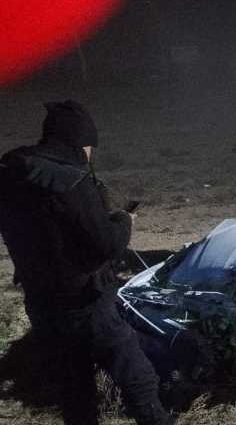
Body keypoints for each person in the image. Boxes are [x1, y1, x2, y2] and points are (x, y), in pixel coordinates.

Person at [0, 100, 171, 425]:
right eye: (90, 147)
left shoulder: (13, 171)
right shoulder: (73, 181)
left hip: (41, 302)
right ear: (79, 142)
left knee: (74, 388)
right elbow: (106, 243)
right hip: (86, 303)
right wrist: (124, 221)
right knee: (137, 376)